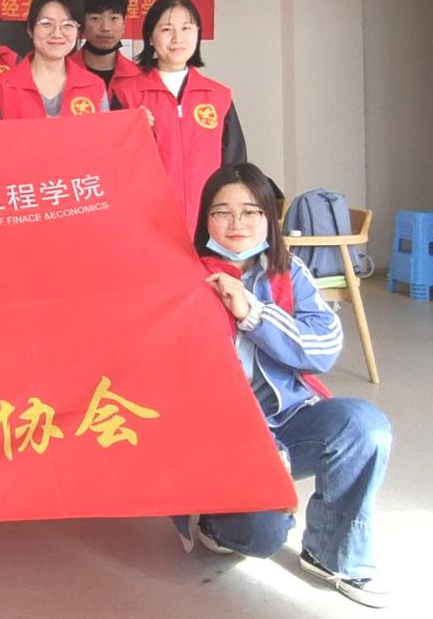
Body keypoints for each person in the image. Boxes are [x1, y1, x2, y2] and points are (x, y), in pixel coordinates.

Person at [176, 163, 391, 609]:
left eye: (251, 212)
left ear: (268, 219)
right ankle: (215, 521)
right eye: (222, 212)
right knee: (261, 534)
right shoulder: (182, 276)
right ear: (205, 219)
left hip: (287, 421)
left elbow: (324, 346)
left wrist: (252, 313)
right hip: (217, 437)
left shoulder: (287, 272)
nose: (237, 224)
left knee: (363, 426)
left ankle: (333, 554)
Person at [111, 0, 246, 234]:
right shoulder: (126, 94)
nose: (177, 38)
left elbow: (235, 164)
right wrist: (131, 129)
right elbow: (113, 165)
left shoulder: (218, 96)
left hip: (209, 225)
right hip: (148, 224)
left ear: (197, 34)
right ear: (150, 37)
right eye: (166, 29)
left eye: (186, 28)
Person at [0, 0, 107, 120]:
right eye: (46, 24)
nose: (57, 34)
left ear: (78, 32)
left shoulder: (95, 87)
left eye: (68, 25)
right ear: (30, 29)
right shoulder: (0, 88)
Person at [69, 0, 139, 88]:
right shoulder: (63, 71)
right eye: (95, 18)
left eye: (114, 18)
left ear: (123, 24)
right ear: (82, 24)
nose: (105, 28)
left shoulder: (138, 76)